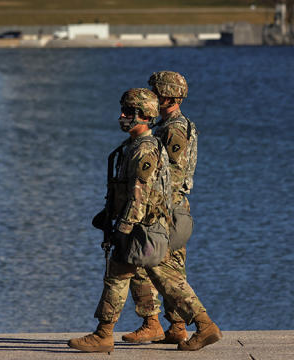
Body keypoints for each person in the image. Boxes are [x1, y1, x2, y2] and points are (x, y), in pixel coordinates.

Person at [68, 88, 220, 353]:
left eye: (128, 112)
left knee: (118, 277)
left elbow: (140, 196)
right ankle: (204, 325)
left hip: (142, 230)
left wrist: (123, 228)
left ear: (144, 115)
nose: (122, 116)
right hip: (147, 229)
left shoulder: (144, 151)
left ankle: (104, 335)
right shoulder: (136, 147)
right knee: (167, 280)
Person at [120, 71, 220, 350]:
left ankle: (155, 322)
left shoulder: (174, 129)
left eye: (154, 93)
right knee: (169, 268)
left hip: (168, 208)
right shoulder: (171, 125)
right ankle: (176, 326)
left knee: (147, 264)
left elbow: (171, 174)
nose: (150, 98)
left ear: (166, 96)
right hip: (171, 207)